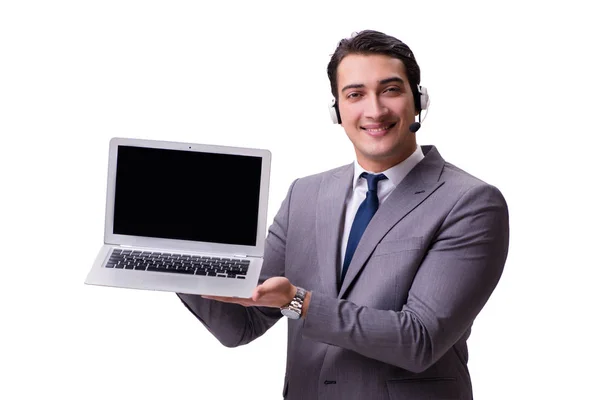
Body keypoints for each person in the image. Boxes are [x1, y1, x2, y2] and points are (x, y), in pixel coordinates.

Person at [177, 30, 509, 400]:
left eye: (391, 90)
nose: (375, 110)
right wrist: (176, 259)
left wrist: (298, 302)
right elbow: (243, 324)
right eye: (355, 94)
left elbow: (420, 340)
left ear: (418, 101)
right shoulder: (305, 194)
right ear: (337, 109)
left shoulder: (470, 202)